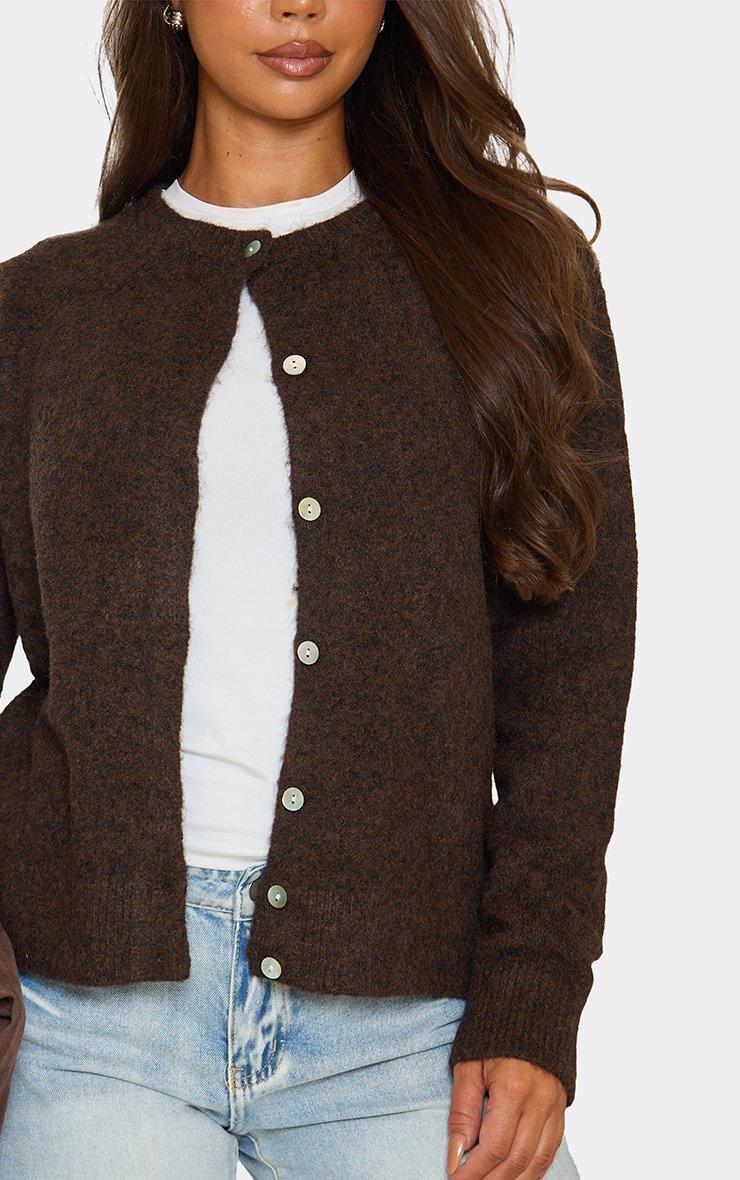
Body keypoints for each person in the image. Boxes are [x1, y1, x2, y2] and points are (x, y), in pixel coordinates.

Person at [0, 1, 637, 1176]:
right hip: (91, 1018)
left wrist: (531, 998)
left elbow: (570, 678)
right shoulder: (41, 309)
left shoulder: (513, 284)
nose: (299, 5)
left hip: (413, 1028)